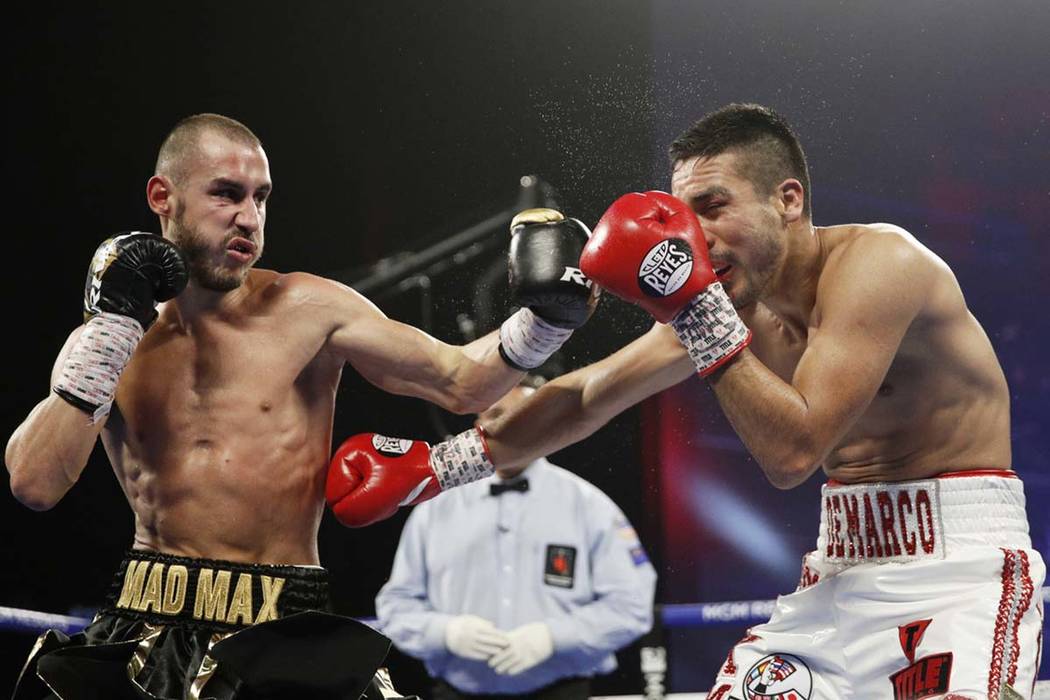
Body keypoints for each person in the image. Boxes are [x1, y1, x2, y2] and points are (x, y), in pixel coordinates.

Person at [329, 104, 1045, 698]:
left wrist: (697, 310)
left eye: (715, 206)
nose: (694, 235)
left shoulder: (882, 264)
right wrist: (439, 466)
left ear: (788, 200)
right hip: (840, 577)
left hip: (958, 576)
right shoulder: (731, 308)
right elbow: (586, 396)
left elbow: (795, 452)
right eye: (682, 213)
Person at [5, 113, 596, 699]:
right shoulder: (114, 337)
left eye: (261, 198)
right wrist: (109, 333)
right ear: (163, 197)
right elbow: (35, 483)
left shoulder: (309, 308)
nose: (248, 218)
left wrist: (547, 320)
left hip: (282, 621)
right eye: (226, 195)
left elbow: (461, 381)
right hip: (145, 615)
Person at [373, 377, 657, 700]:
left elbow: (631, 605)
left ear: (546, 424)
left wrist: (554, 637)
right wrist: (444, 633)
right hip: (457, 692)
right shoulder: (436, 508)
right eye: (497, 416)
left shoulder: (589, 507)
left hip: (560, 692)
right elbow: (395, 607)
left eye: (524, 415)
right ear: (477, 424)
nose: (511, 428)